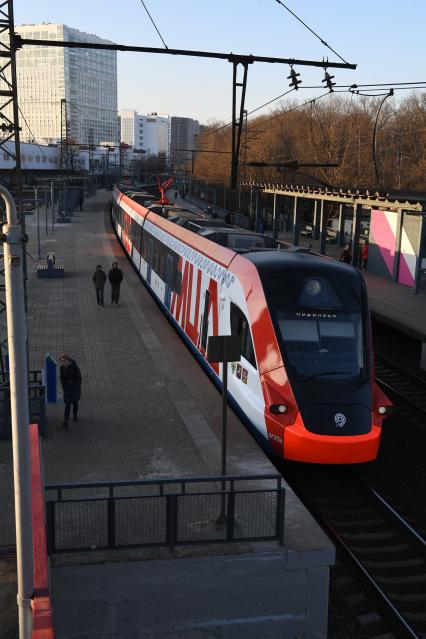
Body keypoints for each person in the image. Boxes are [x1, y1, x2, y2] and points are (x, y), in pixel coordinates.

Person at [59, 354, 82, 428]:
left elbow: (79, 378)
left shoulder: (74, 367)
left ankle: (75, 414)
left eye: (64, 361)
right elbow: (62, 379)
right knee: (67, 405)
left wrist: (76, 387)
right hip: (67, 389)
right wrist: (64, 388)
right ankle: (66, 420)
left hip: (75, 389)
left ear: (68, 360)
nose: (63, 363)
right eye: (61, 361)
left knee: (75, 403)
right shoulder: (62, 368)